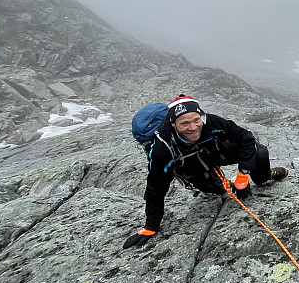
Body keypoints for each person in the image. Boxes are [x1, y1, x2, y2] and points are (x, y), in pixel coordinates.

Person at [123, 95, 288, 249]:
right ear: (173, 124)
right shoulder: (163, 149)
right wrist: (151, 226)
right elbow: (156, 188)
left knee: (259, 153)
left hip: (215, 153)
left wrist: (243, 174)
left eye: (196, 120)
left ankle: (267, 175)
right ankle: (221, 184)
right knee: (218, 190)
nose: (193, 128)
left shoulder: (211, 122)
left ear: (200, 116)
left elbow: (245, 138)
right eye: (185, 124)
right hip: (190, 167)